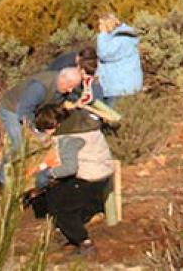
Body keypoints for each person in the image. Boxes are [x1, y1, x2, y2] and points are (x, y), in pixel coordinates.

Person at [30, 106, 114, 255]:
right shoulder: (82, 124)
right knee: (56, 194)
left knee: (60, 208)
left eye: (45, 131)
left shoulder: (67, 137)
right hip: (104, 171)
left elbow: (69, 168)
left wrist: (48, 173)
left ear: (53, 126)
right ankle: (67, 230)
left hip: (89, 177)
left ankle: (84, 242)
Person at [0, 68, 82, 183]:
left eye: (73, 87)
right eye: (69, 86)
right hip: (13, 109)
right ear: (62, 79)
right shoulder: (39, 88)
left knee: (40, 142)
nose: (70, 90)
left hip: (33, 109)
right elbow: (23, 112)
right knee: (19, 144)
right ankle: (3, 179)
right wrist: (36, 131)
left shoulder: (63, 87)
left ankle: (28, 172)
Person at [95, 13, 142, 106]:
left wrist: (103, 33)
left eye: (102, 24)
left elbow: (105, 54)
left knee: (116, 118)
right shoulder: (115, 37)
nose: (100, 27)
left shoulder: (123, 37)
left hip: (120, 89)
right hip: (114, 87)